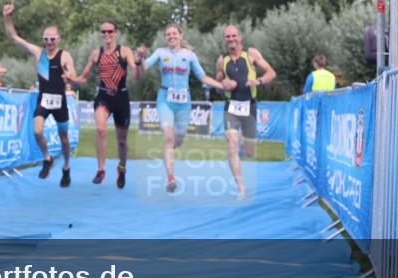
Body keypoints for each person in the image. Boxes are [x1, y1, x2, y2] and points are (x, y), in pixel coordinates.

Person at [136, 24, 224, 194]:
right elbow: (144, 67)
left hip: (184, 102)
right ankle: (171, 179)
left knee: (178, 140)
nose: (171, 36)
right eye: (168, 34)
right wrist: (139, 58)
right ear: (166, 37)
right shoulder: (161, 53)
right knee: (168, 139)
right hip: (165, 99)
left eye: (174, 33)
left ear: (180, 35)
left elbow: (203, 77)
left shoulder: (190, 56)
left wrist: (221, 85)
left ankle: (170, 153)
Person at [3, 0, 78, 188]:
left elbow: (74, 76)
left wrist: (69, 77)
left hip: (59, 101)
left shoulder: (65, 55)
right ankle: (47, 158)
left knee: (64, 139)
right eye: (46, 39)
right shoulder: (39, 53)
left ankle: (67, 167)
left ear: (58, 39)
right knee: (37, 131)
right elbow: (14, 37)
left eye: (53, 39)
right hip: (44, 99)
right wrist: (7, 16)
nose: (49, 42)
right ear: (43, 40)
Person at [69, 19, 138, 188]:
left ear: (116, 32)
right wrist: (72, 80)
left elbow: (136, 73)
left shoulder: (125, 51)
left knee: (122, 141)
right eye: (104, 32)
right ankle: (101, 170)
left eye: (110, 31)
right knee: (100, 129)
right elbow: (83, 78)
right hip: (103, 96)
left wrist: (139, 62)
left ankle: (122, 169)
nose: (106, 34)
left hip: (121, 98)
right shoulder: (96, 53)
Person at [215, 25, 277, 200]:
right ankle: (241, 187)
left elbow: (271, 72)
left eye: (234, 35)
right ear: (225, 39)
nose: (231, 39)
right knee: (232, 143)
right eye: (228, 36)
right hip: (231, 106)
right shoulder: (222, 60)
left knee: (249, 151)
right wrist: (223, 84)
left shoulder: (251, 54)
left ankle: (242, 149)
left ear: (240, 37)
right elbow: (218, 81)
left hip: (249, 106)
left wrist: (258, 81)